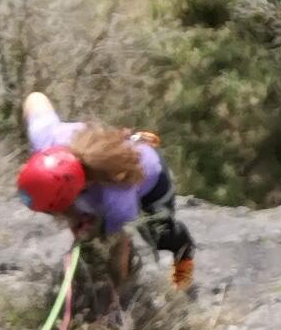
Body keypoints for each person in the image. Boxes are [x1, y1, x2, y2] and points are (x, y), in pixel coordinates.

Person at [16, 90, 197, 289]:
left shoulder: (116, 197)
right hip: (98, 182)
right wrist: (77, 221)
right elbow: (35, 98)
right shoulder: (45, 140)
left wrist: (118, 289)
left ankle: (184, 253)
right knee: (91, 244)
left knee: (158, 233)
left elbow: (119, 246)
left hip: (150, 175)